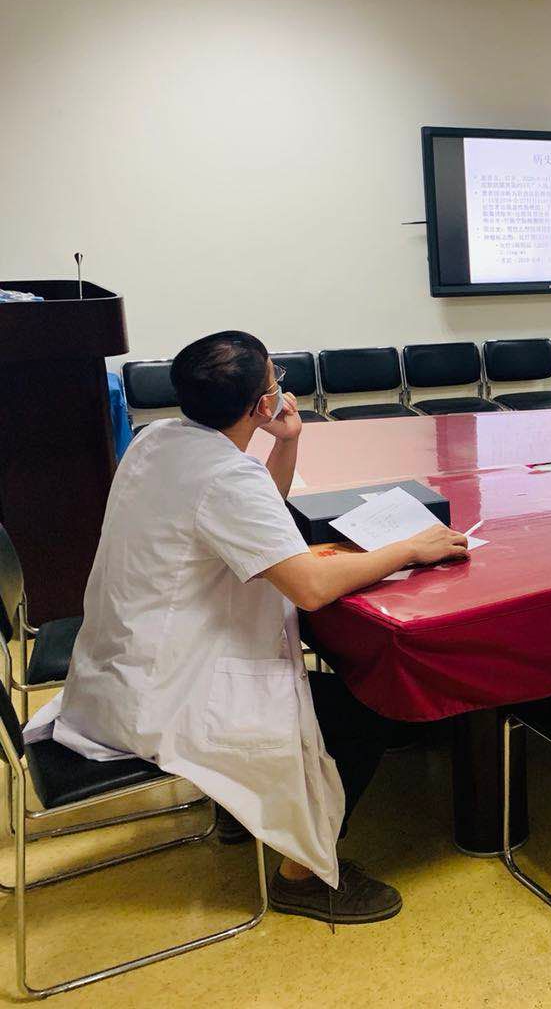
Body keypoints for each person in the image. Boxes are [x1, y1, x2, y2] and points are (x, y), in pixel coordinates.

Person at [24, 332, 469, 924]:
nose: (280, 385)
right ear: (262, 404)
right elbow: (310, 586)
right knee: (362, 710)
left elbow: (255, 517)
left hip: (125, 663)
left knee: (321, 692)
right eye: (274, 379)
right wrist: (411, 548)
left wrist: (286, 442)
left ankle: (239, 811)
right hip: (168, 692)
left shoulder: (157, 440)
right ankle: (302, 880)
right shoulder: (224, 478)